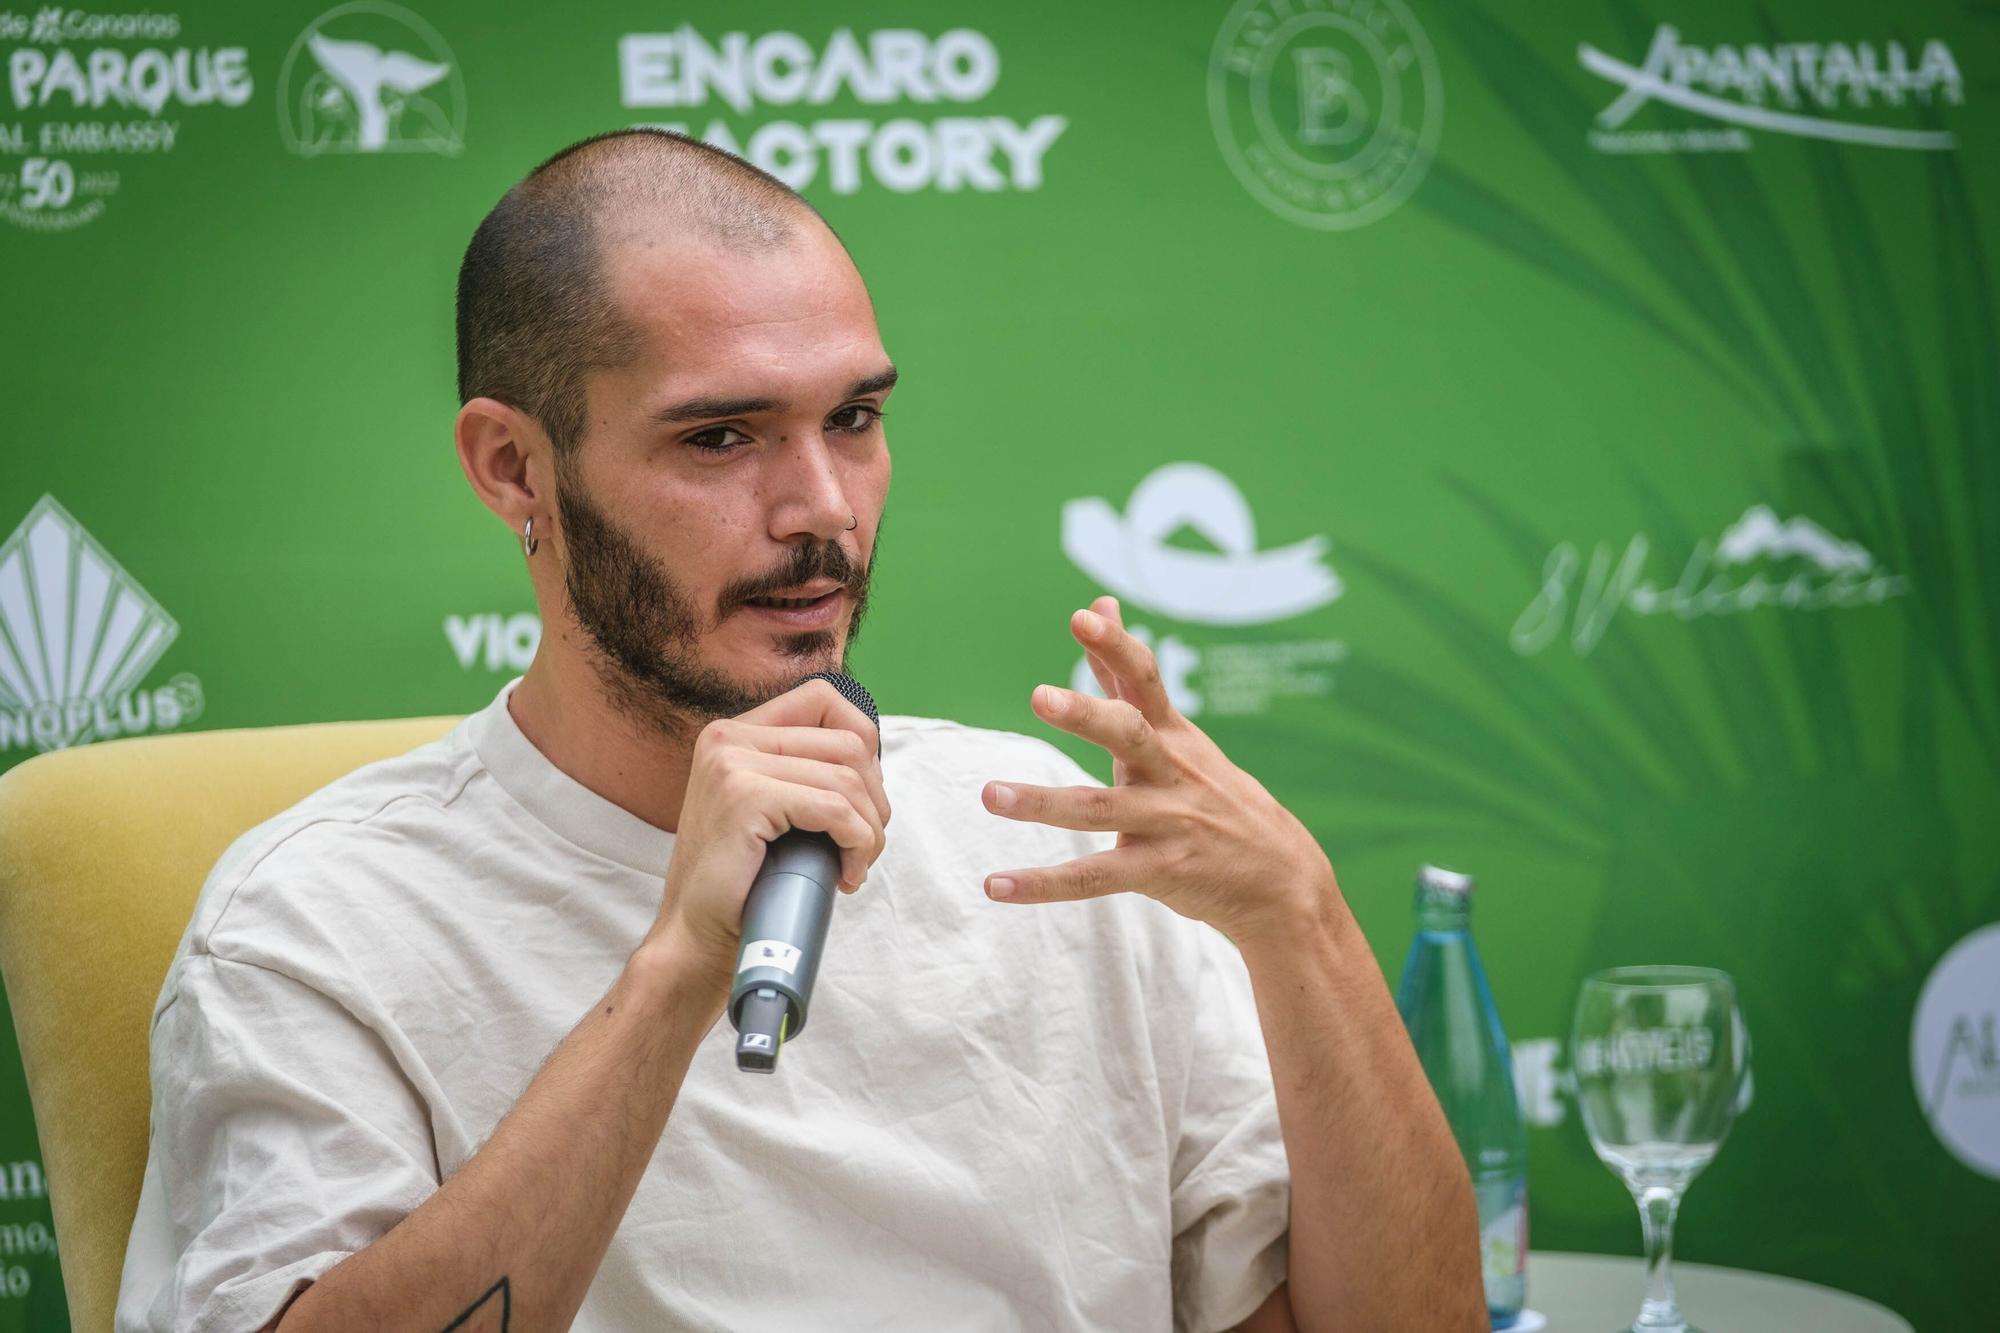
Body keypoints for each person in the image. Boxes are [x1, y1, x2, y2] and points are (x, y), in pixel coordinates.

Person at [115, 129, 1482, 1333]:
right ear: (514, 465)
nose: (822, 507)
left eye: (857, 417)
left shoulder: (1043, 824)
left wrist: (1304, 921)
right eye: (721, 438)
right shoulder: (314, 922)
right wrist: (676, 970)